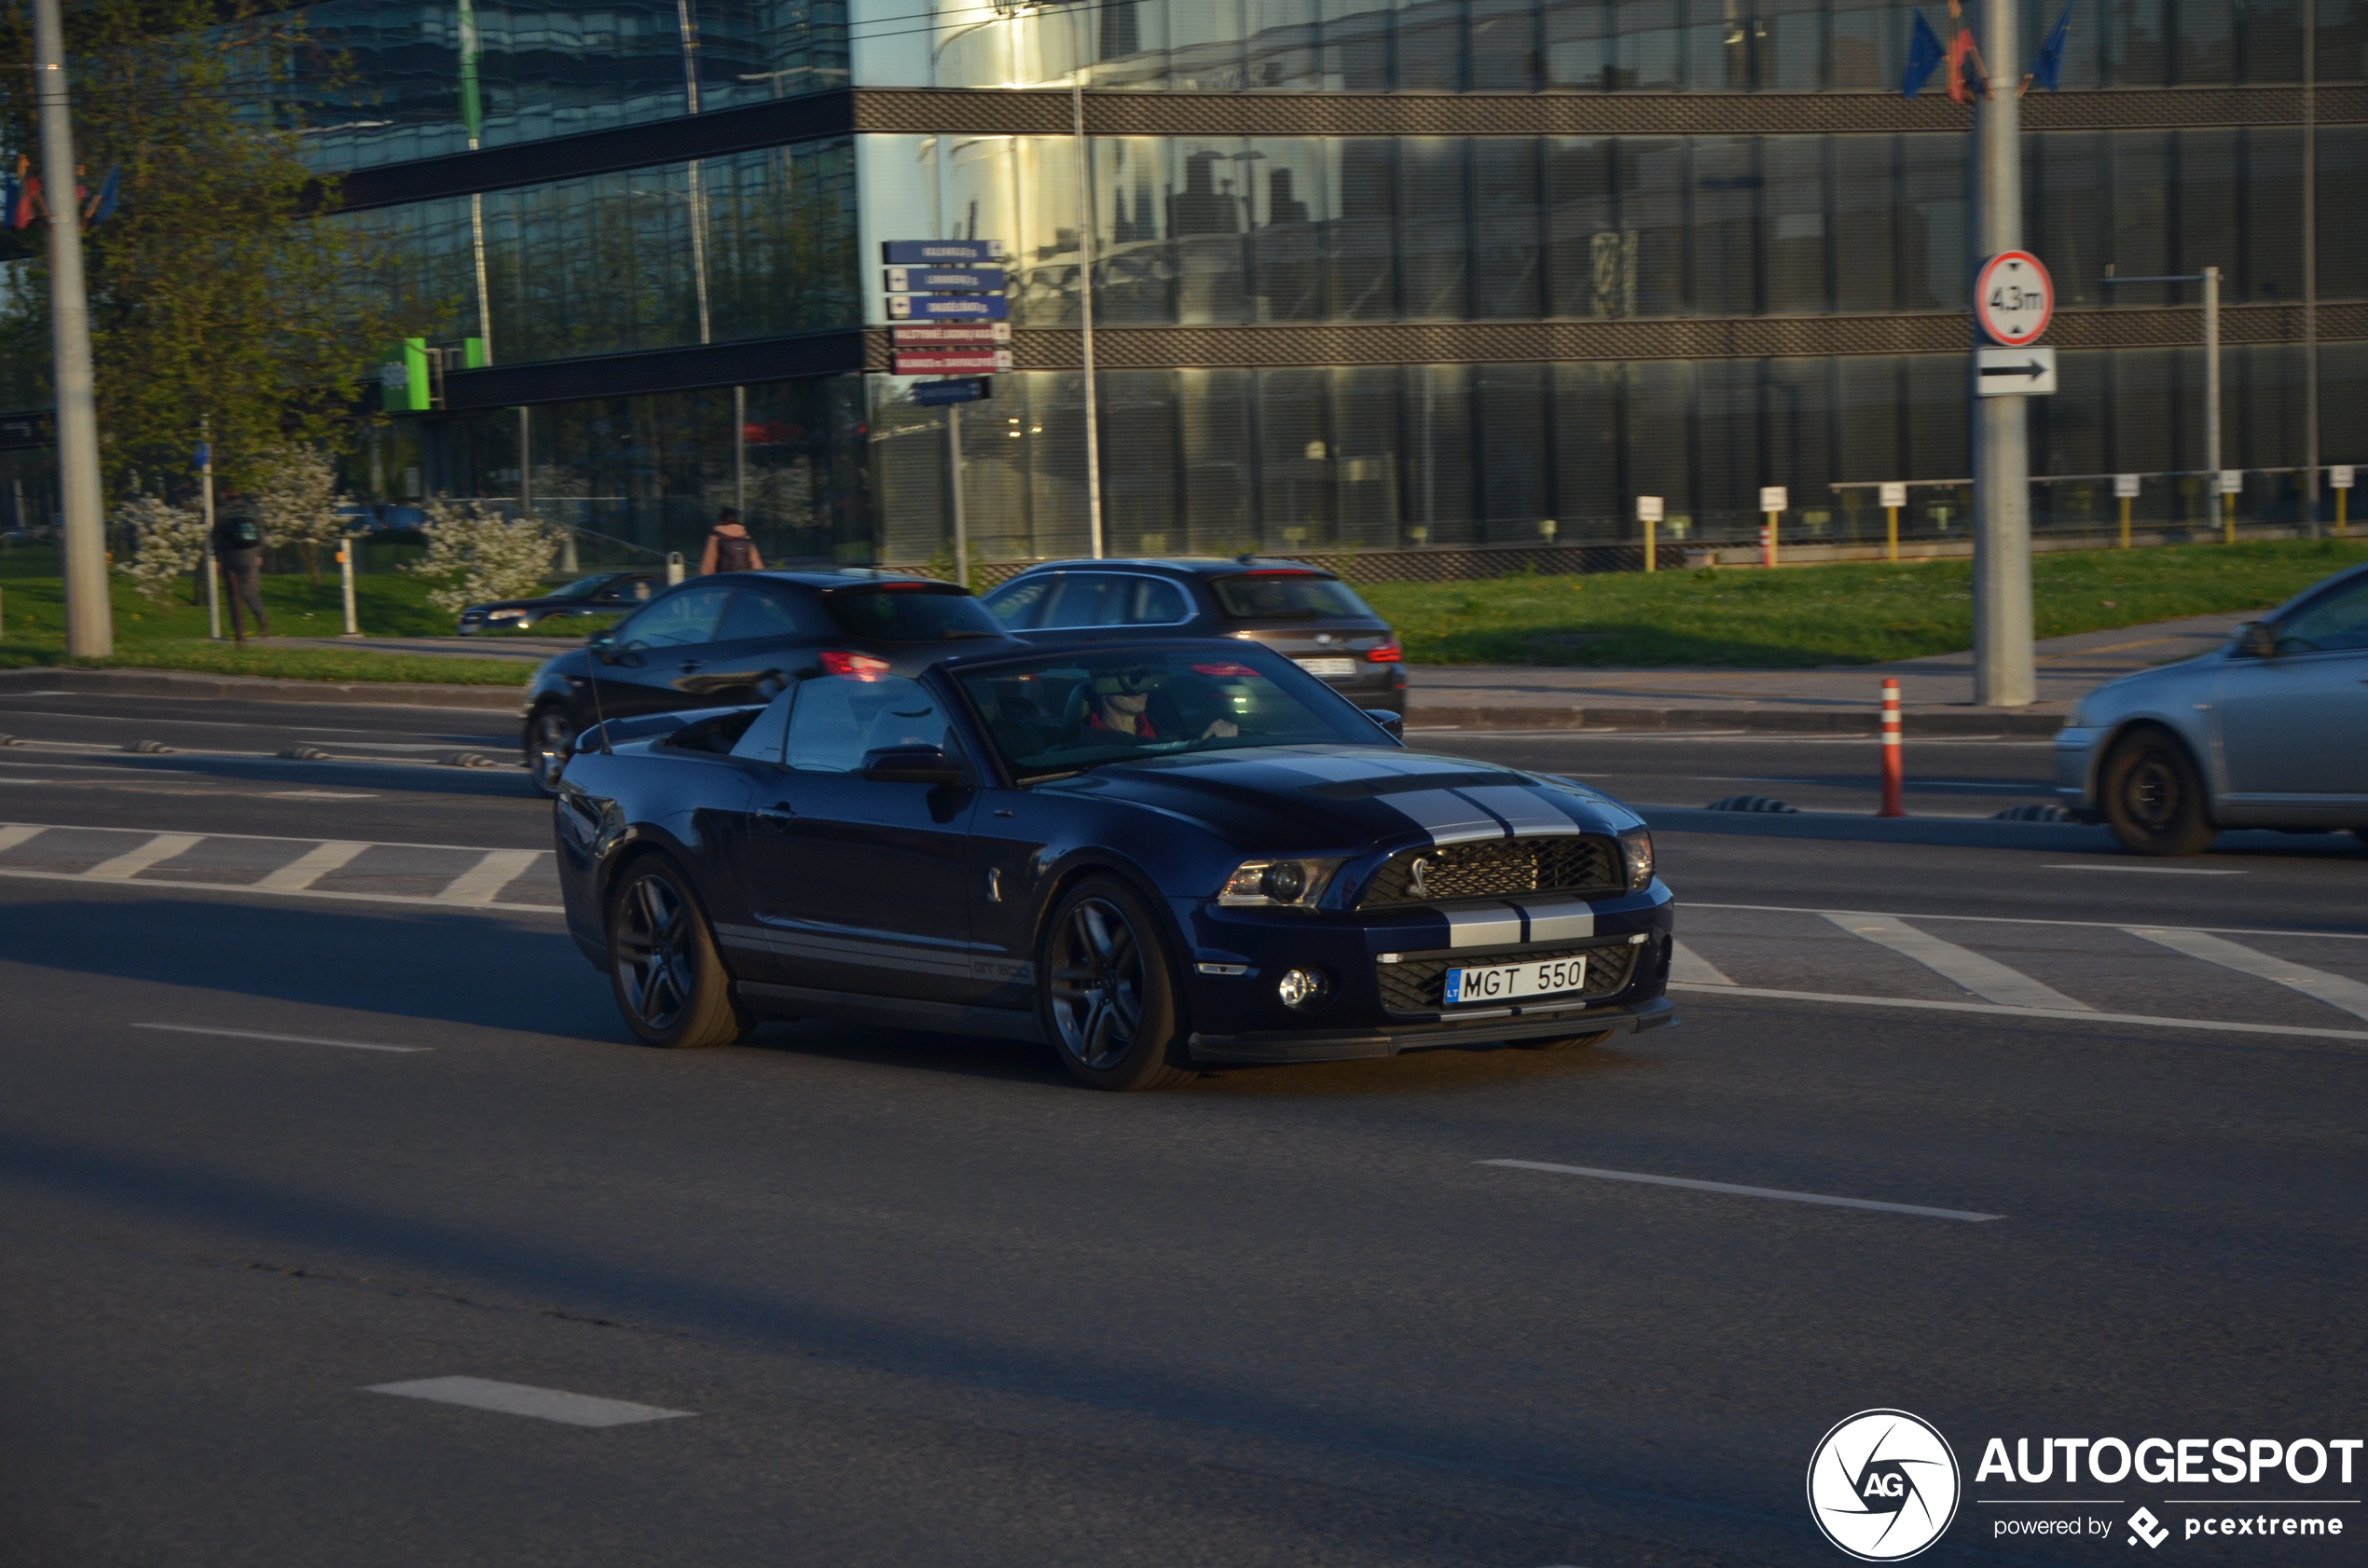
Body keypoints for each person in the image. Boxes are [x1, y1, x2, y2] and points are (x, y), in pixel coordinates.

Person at [1084, 668, 1237, 743]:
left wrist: (1208, 742)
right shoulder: (1085, 748)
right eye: (1128, 679)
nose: (1140, 687)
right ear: (1103, 687)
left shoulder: (1170, 736)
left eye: (1144, 678)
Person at [211, 507, 269, 644]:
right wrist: (258, 553)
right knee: (250, 591)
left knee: (234, 595)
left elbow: (216, 536)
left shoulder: (222, 511)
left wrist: (217, 558)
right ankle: (260, 616)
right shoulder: (250, 509)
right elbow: (261, 533)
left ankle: (240, 633)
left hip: (231, 556)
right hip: (250, 555)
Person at [699, 509, 764, 574]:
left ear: (721, 519)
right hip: (745, 579)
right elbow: (755, 561)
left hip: (725, 580)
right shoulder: (745, 536)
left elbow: (709, 563)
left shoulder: (716, 536)